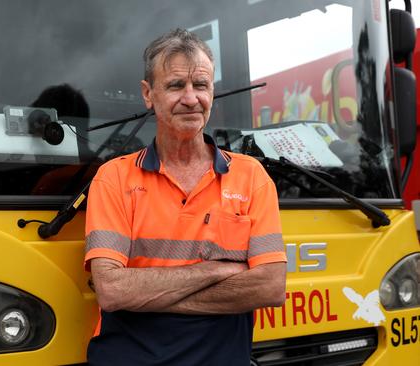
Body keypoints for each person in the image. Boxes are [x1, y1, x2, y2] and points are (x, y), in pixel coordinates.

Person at [84, 29, 287, 365]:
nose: (191, 98)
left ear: (212, 92)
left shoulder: (251, 176)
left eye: (201, 86)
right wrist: (214, 271)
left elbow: (269, 288)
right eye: (177, 85)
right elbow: (112, 291)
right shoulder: (114, 178)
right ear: (148, 94)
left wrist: (149, 294)